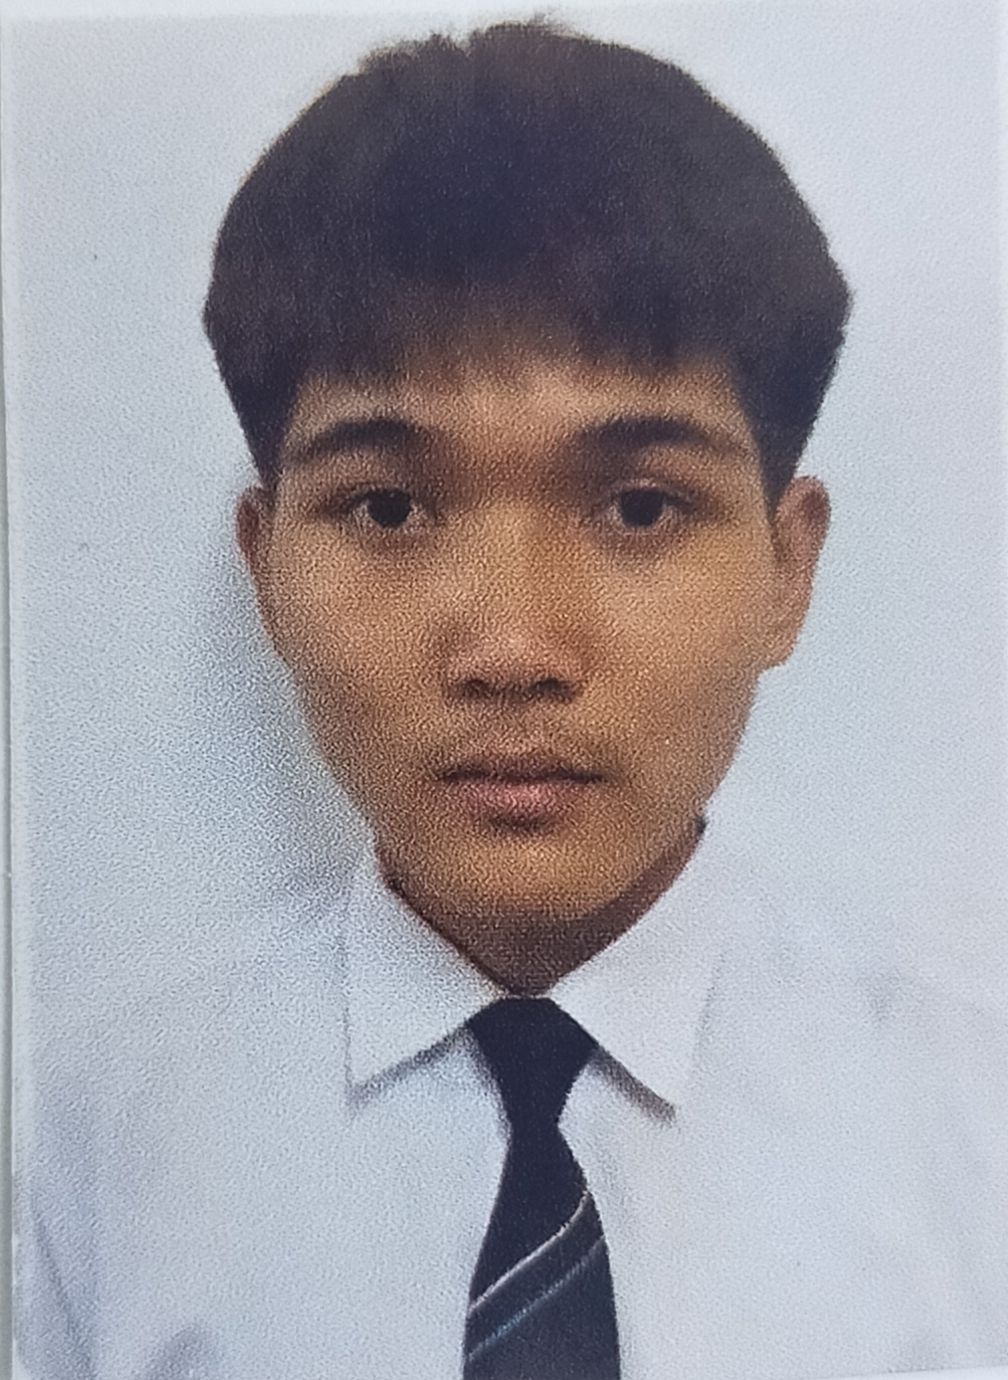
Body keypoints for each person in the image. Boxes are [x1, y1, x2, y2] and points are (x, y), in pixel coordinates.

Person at [16, 19, 1008, 1380]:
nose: (513, 647)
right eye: (388, 507)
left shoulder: (975, 1141)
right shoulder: (91, 1160)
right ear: (267, 574)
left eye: (639, 507)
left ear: (787, 569)